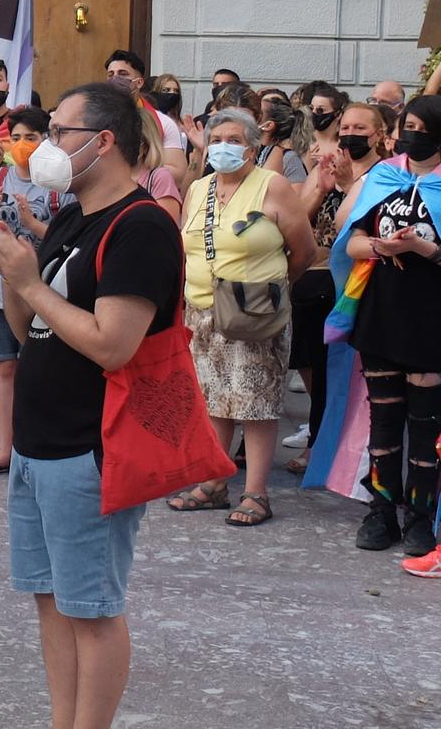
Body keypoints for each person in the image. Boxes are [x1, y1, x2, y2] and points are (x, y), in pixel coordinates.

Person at [0, 83, 181, 729]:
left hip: (91, 444)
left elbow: (112, 344)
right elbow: (29, 320)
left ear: (104, 140)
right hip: (37, 440)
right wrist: (13, 274)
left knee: (91, 608)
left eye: (60, 131)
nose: (46, 145)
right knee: (52, 600)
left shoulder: (140, 225)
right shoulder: (70, 213)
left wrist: (31, 280)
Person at [165, 109, 313, 527]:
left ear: (251, 146)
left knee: (256, 403)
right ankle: (214, 482)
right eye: (216, 139)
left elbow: (301, 252)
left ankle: (256, 493)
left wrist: (269, 288)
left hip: (253, 312)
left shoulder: (274, 186)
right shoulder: (198, 188)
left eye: (233, 139)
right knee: (213, 399)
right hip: (201, 310)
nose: (223, 146)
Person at [333, 94, 441, 559]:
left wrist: (423, 249)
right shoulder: (384, 176)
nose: (410, 134)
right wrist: (379, 247)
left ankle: (420, 514)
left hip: (431, 317)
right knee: (384, 417)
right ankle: (381, 509)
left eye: (420, 125)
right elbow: (348, 237)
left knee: (424, 422)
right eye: (406, 125)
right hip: (382, 309)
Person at [288, 101, 390, 463]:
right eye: (346, 127)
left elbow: (357, 225)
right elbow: (297, 219)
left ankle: (330, 444)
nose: (350, 135)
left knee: (342, 368)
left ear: (379, 135)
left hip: (355, 282)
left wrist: (348, 186)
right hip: (315, 276)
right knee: (311, 359)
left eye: (361, 129)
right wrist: (321, 186)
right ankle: (322, 434)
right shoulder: (327, 165)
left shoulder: (385, 173)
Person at [0, 106, 58, 478]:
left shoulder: (56, 184)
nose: (22, 145)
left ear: (46, 141)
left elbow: (64, 240)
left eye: (31, 138)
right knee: (5, 365)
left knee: (43, 369)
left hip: (45, 290)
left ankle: (39, 446)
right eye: (16, 138)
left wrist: (33, 224)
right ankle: (6, 447)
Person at [104, 49, 190, 188]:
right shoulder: (93, 117)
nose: (115, 79)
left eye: (123, 74)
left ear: (139, 83)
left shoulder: (163, 123)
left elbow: (178, 173)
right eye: (110, 74)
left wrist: (136, 170)